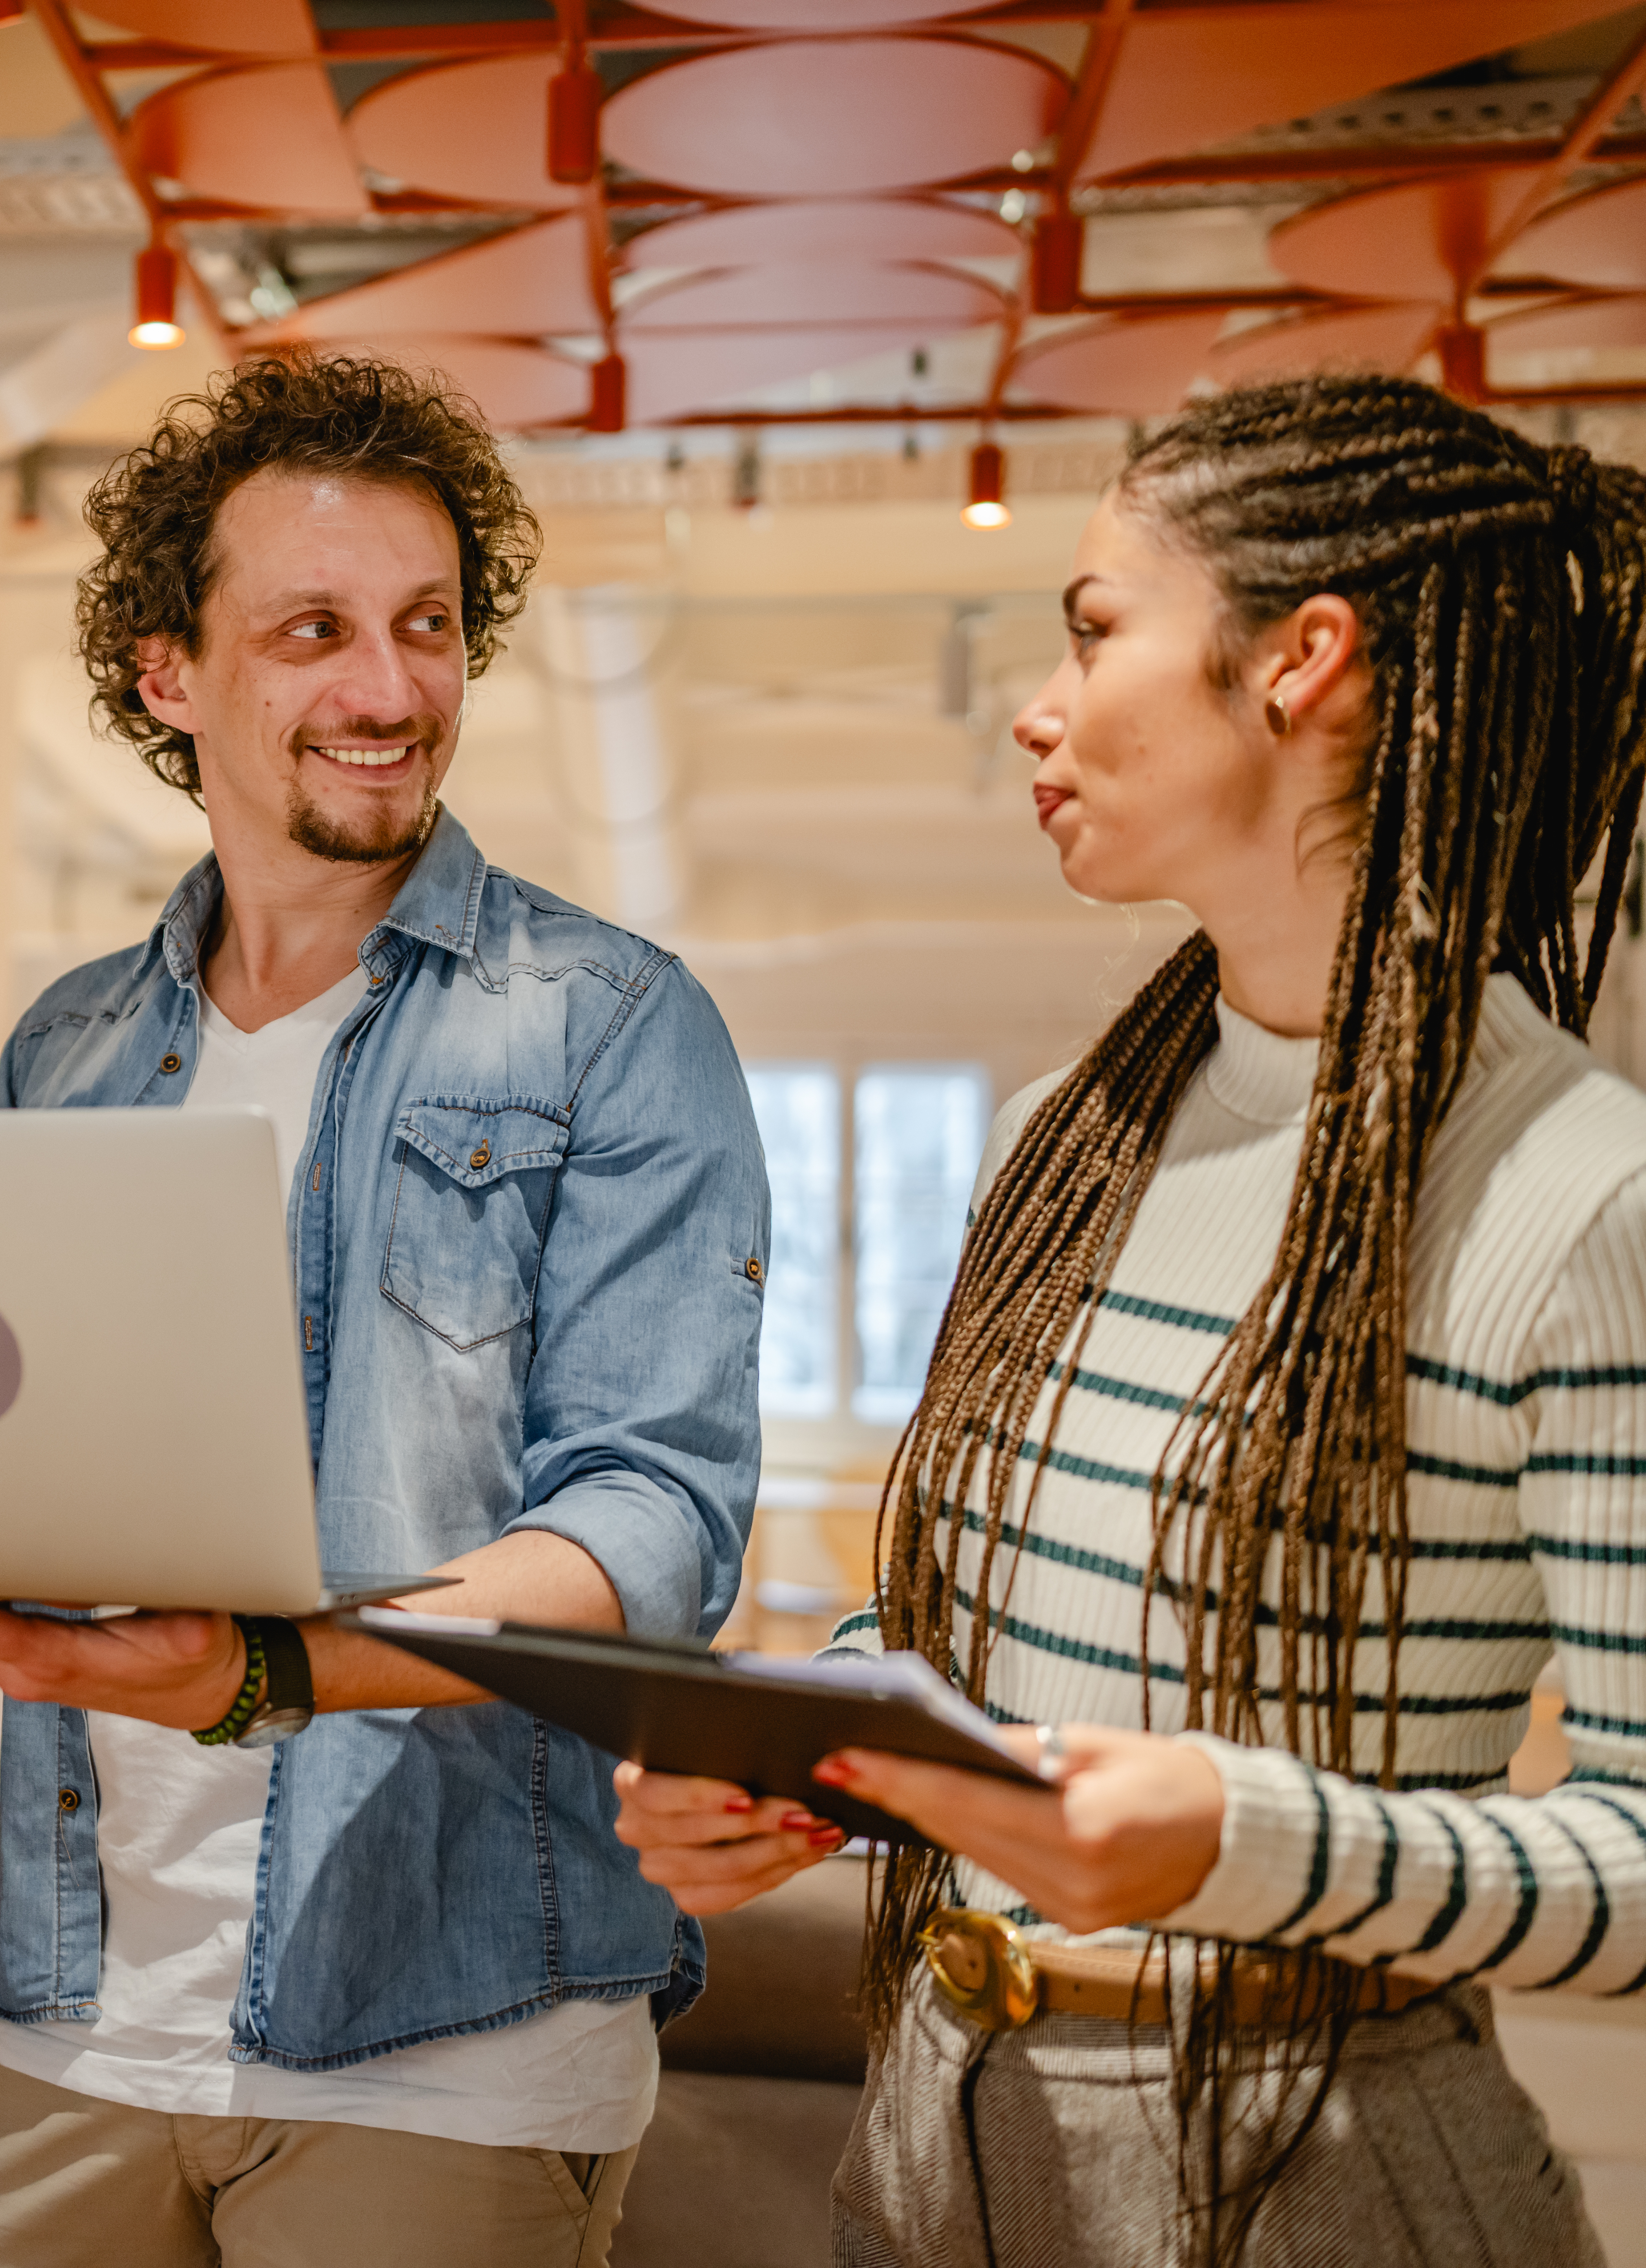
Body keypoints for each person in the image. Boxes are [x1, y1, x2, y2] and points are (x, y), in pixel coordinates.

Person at [616, 375, 1646, 2267]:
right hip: (940, 2119)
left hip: (1315, 2165)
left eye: (1094, 630)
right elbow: (977, 1638)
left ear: (1298, 663)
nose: (1041, 699)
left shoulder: (1575, 1194)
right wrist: (817, 1754)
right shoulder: (1064, 1135)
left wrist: (1231, 1841)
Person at [0, 355, 767, 2267]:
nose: (388, 692)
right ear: (170, 673)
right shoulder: (67, 1045)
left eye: (424, 628)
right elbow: (16, 1464)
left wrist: (270, 1667)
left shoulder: (610, 1024)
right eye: (312, 630)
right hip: (64, 2001)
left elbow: (653, 1530)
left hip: (446, 2027)